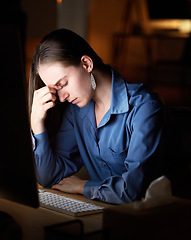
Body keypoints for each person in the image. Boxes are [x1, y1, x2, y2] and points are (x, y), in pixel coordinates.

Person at [28, 28, 191, 204]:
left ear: (86, 64)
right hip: (110, 215)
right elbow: (48, 178)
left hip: (165, 220)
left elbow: (132, 190)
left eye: (63, 84)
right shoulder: (75, 112)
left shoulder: (145, 107)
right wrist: (37, 124)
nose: (61, 97)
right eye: (55, 89)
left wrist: (82, 186)